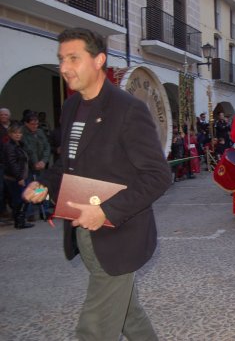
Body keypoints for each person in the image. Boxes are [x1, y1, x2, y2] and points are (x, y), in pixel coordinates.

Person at [23, 27, 171, 340]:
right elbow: (67, 164)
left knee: (94, 328)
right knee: (128, 314)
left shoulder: (129, 109)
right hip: (83, 233)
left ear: (99, 60)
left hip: (119, 235)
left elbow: (158, 176)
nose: (64, 67)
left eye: (73, 58)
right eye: (61, 59)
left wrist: (106, 212)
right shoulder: (71, 107)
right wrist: (46, 184)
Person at [3, 123, 34, 229]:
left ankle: (20, 221)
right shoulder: (10, 146)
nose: (18, 135)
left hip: (21, 176)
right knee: (20, 199)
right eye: (15, 133)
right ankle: (19, 222)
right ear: (10, 134)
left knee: (22, 199)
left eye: (20, 133)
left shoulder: (20, 144)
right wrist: (19, 177)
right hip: (15, 178)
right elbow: (12, 164)